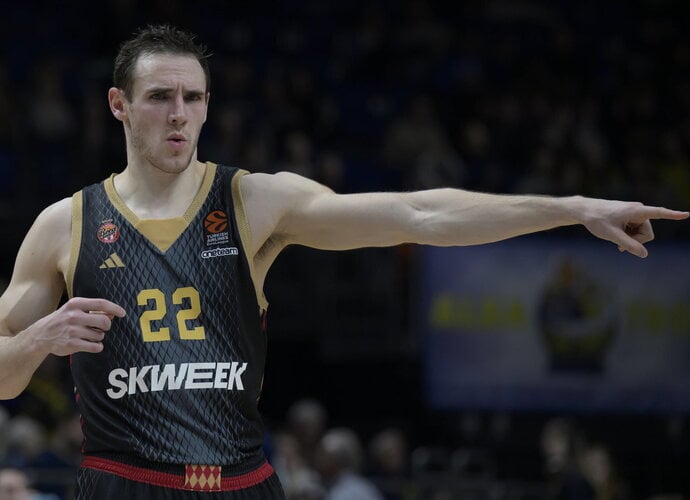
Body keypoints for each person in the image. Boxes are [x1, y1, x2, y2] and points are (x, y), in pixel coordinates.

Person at [0, 23, 687, 500]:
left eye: (194, 97)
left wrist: (571, 208)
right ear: (119, 105)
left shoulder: (254, 202)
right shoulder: (66, 224)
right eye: (160, 97)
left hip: (239, 483)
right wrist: (35, 341)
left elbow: (419, 213)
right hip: (122, 484)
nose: (179, 114)